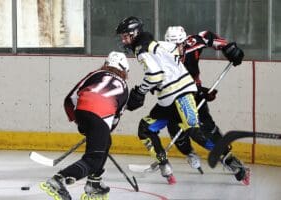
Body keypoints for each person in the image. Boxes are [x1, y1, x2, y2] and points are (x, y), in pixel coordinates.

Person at [116, 16, 213, 185]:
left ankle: (227, 158)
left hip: (179, 94)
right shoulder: (152, 43)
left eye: (126, 35)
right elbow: (172, 53)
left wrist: (140, 91)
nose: (123, 40)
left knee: (194, 131)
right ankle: (166, 166)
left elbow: (155, 74)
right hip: (169, 97)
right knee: (146, 128)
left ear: (135, 33)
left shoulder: (142, 48)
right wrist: (159, 81)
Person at [163, 26, 250, 185]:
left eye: (179, 45)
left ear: (185, 42)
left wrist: (226, 47)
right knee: (175, 127)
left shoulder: (193, 43)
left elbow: (207, 36)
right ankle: (190, 153)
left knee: (205, 129)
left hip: (194, 92)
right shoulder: (162, 54)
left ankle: (229, 159)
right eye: (172, 46)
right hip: (174, 95)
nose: (176, 50)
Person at [40, 51, 130, 200]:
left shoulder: (96, 74)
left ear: (106, 64)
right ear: (125, 71)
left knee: (106, 142)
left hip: (82, 110)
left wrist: (77, 119)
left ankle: (94, 183)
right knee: (93, 160)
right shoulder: (125, 87)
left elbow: (72, 97)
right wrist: (100, 131)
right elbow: (115, 118)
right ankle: (58, 180)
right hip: (100, 117)